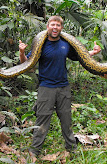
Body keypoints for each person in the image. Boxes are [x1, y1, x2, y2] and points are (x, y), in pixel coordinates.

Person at [19, 15, 101, 156]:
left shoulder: (66, 43)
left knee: (66, 120)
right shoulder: (41, 44)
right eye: (53, 25)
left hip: (64, 87)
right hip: (46, 87)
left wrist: (92, 52)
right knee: (42, 121)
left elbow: (79, 57)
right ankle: (34, 152)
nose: (55, 27)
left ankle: (72, 149)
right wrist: (21, 52)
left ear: (61, 28)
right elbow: (26, 64)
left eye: (58, 25)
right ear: (48, 27)